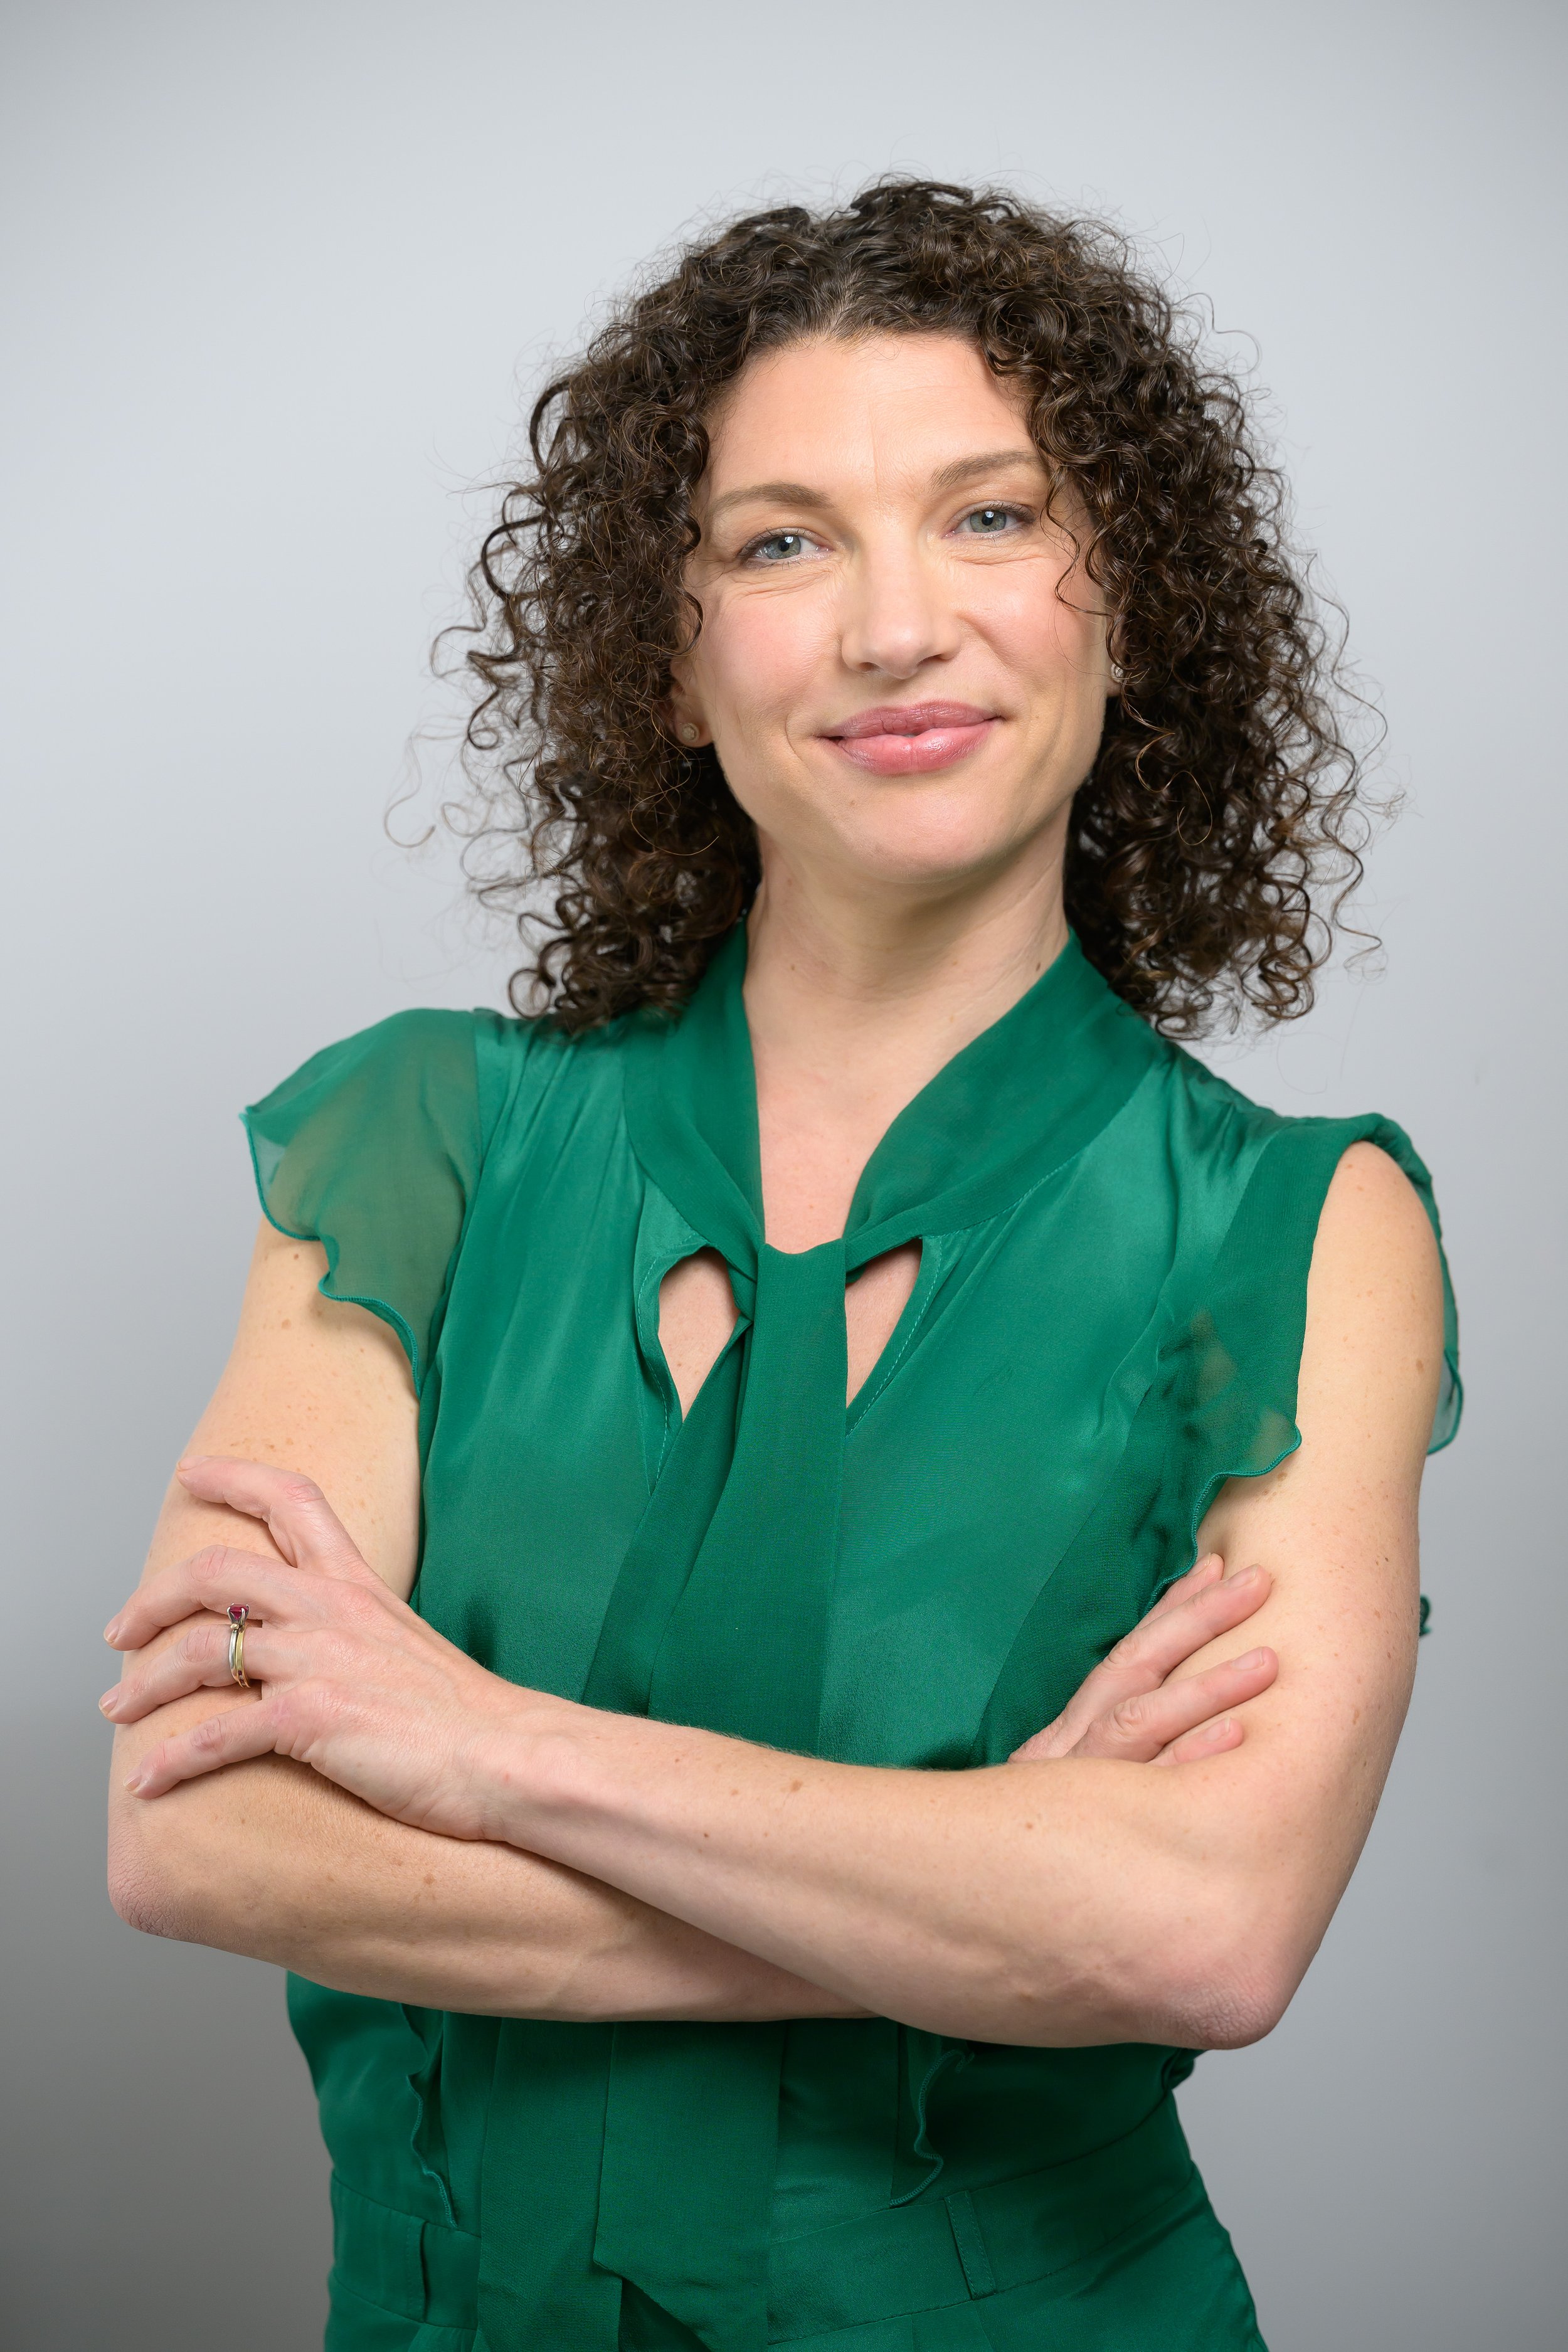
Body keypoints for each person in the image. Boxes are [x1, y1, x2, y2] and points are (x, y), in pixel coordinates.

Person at [102, 180, 1459, 2352]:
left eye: (992, 517)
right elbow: (202, 1839)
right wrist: (993, 1890)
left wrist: (478, 1749)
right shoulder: (419, 1142)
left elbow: (1204, 1935)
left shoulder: (1299, 1227)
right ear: (668, 660)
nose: (893, 626)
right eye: (778, 541)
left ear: (1136, 609)